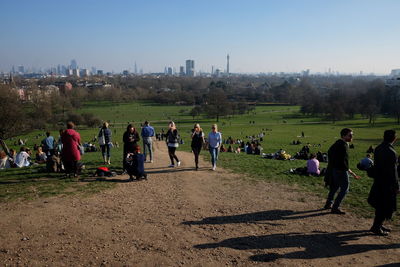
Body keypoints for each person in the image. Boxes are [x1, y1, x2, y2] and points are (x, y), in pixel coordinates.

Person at [368, 130, 399, 236]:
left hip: (378, 180)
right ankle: (376, 227)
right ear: (394, 139)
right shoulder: (391, 152)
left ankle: (377, 225)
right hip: (387, 183)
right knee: (385, 205)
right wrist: (396, 185)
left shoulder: (378, 148)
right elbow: (393, 171)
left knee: (380, 205)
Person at [324, 128, 361, 214]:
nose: (352, 137)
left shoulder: (336, 143)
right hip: (340, 170)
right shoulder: (343, 146)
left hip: (334, 169)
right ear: (344, 136)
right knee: (345, 189)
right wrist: (350, 172)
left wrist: (333, 165)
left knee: (335, 187)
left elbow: (330, 153)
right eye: (350, 135)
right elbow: (343, 162)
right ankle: (335, 207)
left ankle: (328, 204)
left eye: (352, 135)